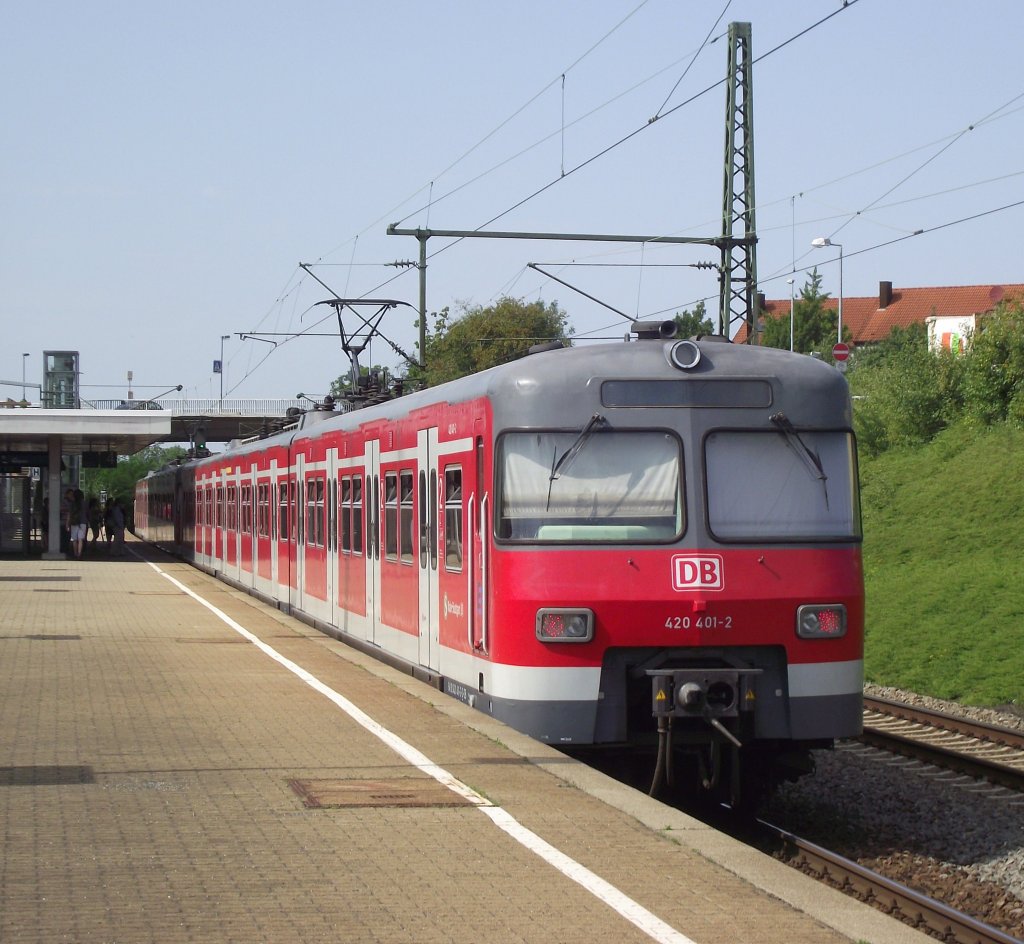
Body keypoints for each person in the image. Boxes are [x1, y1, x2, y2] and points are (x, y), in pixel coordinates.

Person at [69, 488, 88, 559]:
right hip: (83, 522)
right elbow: (87, 512)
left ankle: (75, 553)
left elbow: (70, 514)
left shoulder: (72, 503)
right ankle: (79, 554)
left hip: (74, 523)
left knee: (74, 539)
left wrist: (68, 523)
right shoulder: (85, 503)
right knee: (80, 539)